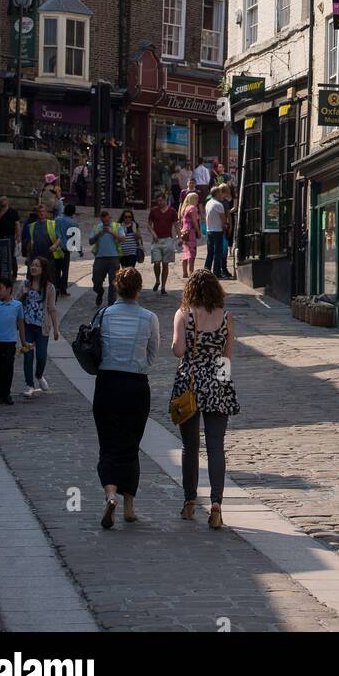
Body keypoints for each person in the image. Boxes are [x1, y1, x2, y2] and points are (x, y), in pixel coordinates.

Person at [171, 269, 240, 529]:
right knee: (215, 446)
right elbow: (228, 355)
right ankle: (216, 505)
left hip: (189, 381)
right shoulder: (225, 317)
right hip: (218, 381)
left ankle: (190, 503)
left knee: (190, 447)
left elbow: (178, 350)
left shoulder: (184, 314)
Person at [92, 266, 160, 529]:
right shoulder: (149, 317)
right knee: (131, 444)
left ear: (116, 288)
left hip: (108, 383)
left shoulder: (104, 314)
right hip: (135, 385)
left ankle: (111, 495)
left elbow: (94, 346)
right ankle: (129, 506)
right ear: (139, 289)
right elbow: (152, 353)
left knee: (108, 443)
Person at [19, 256, 60, 397]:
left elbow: (52, 309)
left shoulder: (49, 287)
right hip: (27, 326)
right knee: (28, 355)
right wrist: (22, 295)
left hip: (42, 326)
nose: (34, 268)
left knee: (41, 355)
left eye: (37, 265)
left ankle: (39, 375)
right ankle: (29, 384)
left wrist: (56, 329)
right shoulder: (25, 284)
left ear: (43, 269)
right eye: (32, 265)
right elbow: (17, 304)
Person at [0, 277, 27, 406]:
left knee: (8, 368)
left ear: (9, 290)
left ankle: (6, 393)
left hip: (10, 341)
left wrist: (24, 341)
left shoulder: (17, 305)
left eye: (0, 289)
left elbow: (21, 324)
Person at [22, 204, 63, 293]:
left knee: (50, 279)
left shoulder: (53, 224)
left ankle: (52, 296)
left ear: (46, 213)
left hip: (49, 257)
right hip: (35, 256)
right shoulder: (31, 226)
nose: (41, 213)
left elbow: (60, 237)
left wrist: (55, 245)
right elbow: (29, 242)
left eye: (43, 211)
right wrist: (28, 257)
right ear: (36, 213)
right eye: (39, 212)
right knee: (32, 278)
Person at [89, 210, 123, 306]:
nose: (105, 224)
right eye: (103, 222)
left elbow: (122, 239)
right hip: (100, 257)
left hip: (114, 257)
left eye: (107, 221)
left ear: (110, 218)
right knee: (96, 279)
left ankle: (111, 304)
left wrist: (112, 233)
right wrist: (99, 234)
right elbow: (90, 241)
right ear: (101, 219)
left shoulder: (117, 227)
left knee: (113, 282)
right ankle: (99, 292)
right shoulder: (97, 228)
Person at [147, 192, 179, 295]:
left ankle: (163, 287)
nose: (159, 203)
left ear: (165, 200)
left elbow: (176, 225)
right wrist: (153, 234)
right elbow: (149, 225)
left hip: (168, 240)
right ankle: (157, 280)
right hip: (156, 241)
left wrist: (180, 237)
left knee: (165, 264)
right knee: (156, 262)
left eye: (161, 200)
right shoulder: (153, 211)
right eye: (158, 201)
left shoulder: (172, 211)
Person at [0, 197, 20, 281]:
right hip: (0, 237)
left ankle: (14, 275)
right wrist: (2, 213)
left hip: (10, 236)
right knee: (0, 256)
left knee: (11, 256)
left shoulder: (13, 212)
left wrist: (18, 236)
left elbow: (17, 224)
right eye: (0, 200)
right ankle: (0, 274)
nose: (2, 201)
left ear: (7, 201)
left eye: (4, 200)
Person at [55, 203, 80, 296]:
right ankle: (63, 289)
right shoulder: (73, 223)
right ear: (73, 213)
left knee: (56, 269)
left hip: (56, 248)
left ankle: (56, 287)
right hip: (65, 249)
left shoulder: (57, 219)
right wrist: (79, 250)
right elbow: (75, 238)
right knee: (64, 270)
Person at [204, 187, 227, 276]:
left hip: (209, 230)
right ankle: (216, 272)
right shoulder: (218, 205)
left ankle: (206, 270)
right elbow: (223, 219)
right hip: (217, 230)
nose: (221, 194)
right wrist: (225, 226)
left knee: (210, 252)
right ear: (217, 193)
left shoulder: (208, 203)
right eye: (220, 192)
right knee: (218, 252)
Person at [178, 191, 201, 280]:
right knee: (192, 253)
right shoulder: (192, 208)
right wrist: (198, 232)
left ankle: (185, 272)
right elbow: (195, 222)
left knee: (185, 252)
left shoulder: (185, 208)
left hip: (184, 232)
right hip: (190, 232)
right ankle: (191, 272)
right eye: (196, 198)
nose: (197, 200)